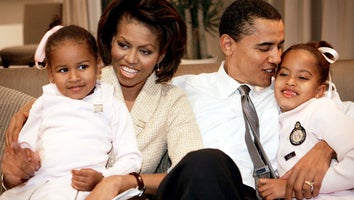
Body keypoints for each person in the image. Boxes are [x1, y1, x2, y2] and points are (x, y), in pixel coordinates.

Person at [1, 0, 203, 199]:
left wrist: (121, 181)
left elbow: (190, 173)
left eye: (145, 51)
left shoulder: (171, 101)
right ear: (111, 40)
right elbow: (33, 157)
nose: (131, 59)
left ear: (161, 55)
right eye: (123, 45)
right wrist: (14, 173)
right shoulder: (80, 81)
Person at [167, 1, 342, 199]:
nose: (276, 58)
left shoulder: (293, 90)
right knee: (206, 162)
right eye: (265, 48)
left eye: (279, 46)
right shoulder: (184, 89)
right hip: (217, 190)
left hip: (278, 193)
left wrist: (326, 147)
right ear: (228, 45)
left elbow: (346, 123)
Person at [0, 24, 142, 199]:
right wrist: (25, 158)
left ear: (97, 65)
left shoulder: (110, 103)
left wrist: (103, 178)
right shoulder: (44, 103)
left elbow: (131, 157)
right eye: (63, 70)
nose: (74, 78)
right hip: (41, 184)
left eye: (83, 67)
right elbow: (25, 145)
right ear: (51, 74)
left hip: (86, 188)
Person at [257, 41, 354, 199]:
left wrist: (296, 187)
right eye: (283, 74)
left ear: (319, 91)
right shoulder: (280, 117)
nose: (291, 81)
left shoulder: (321, 109)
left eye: (302, 77)